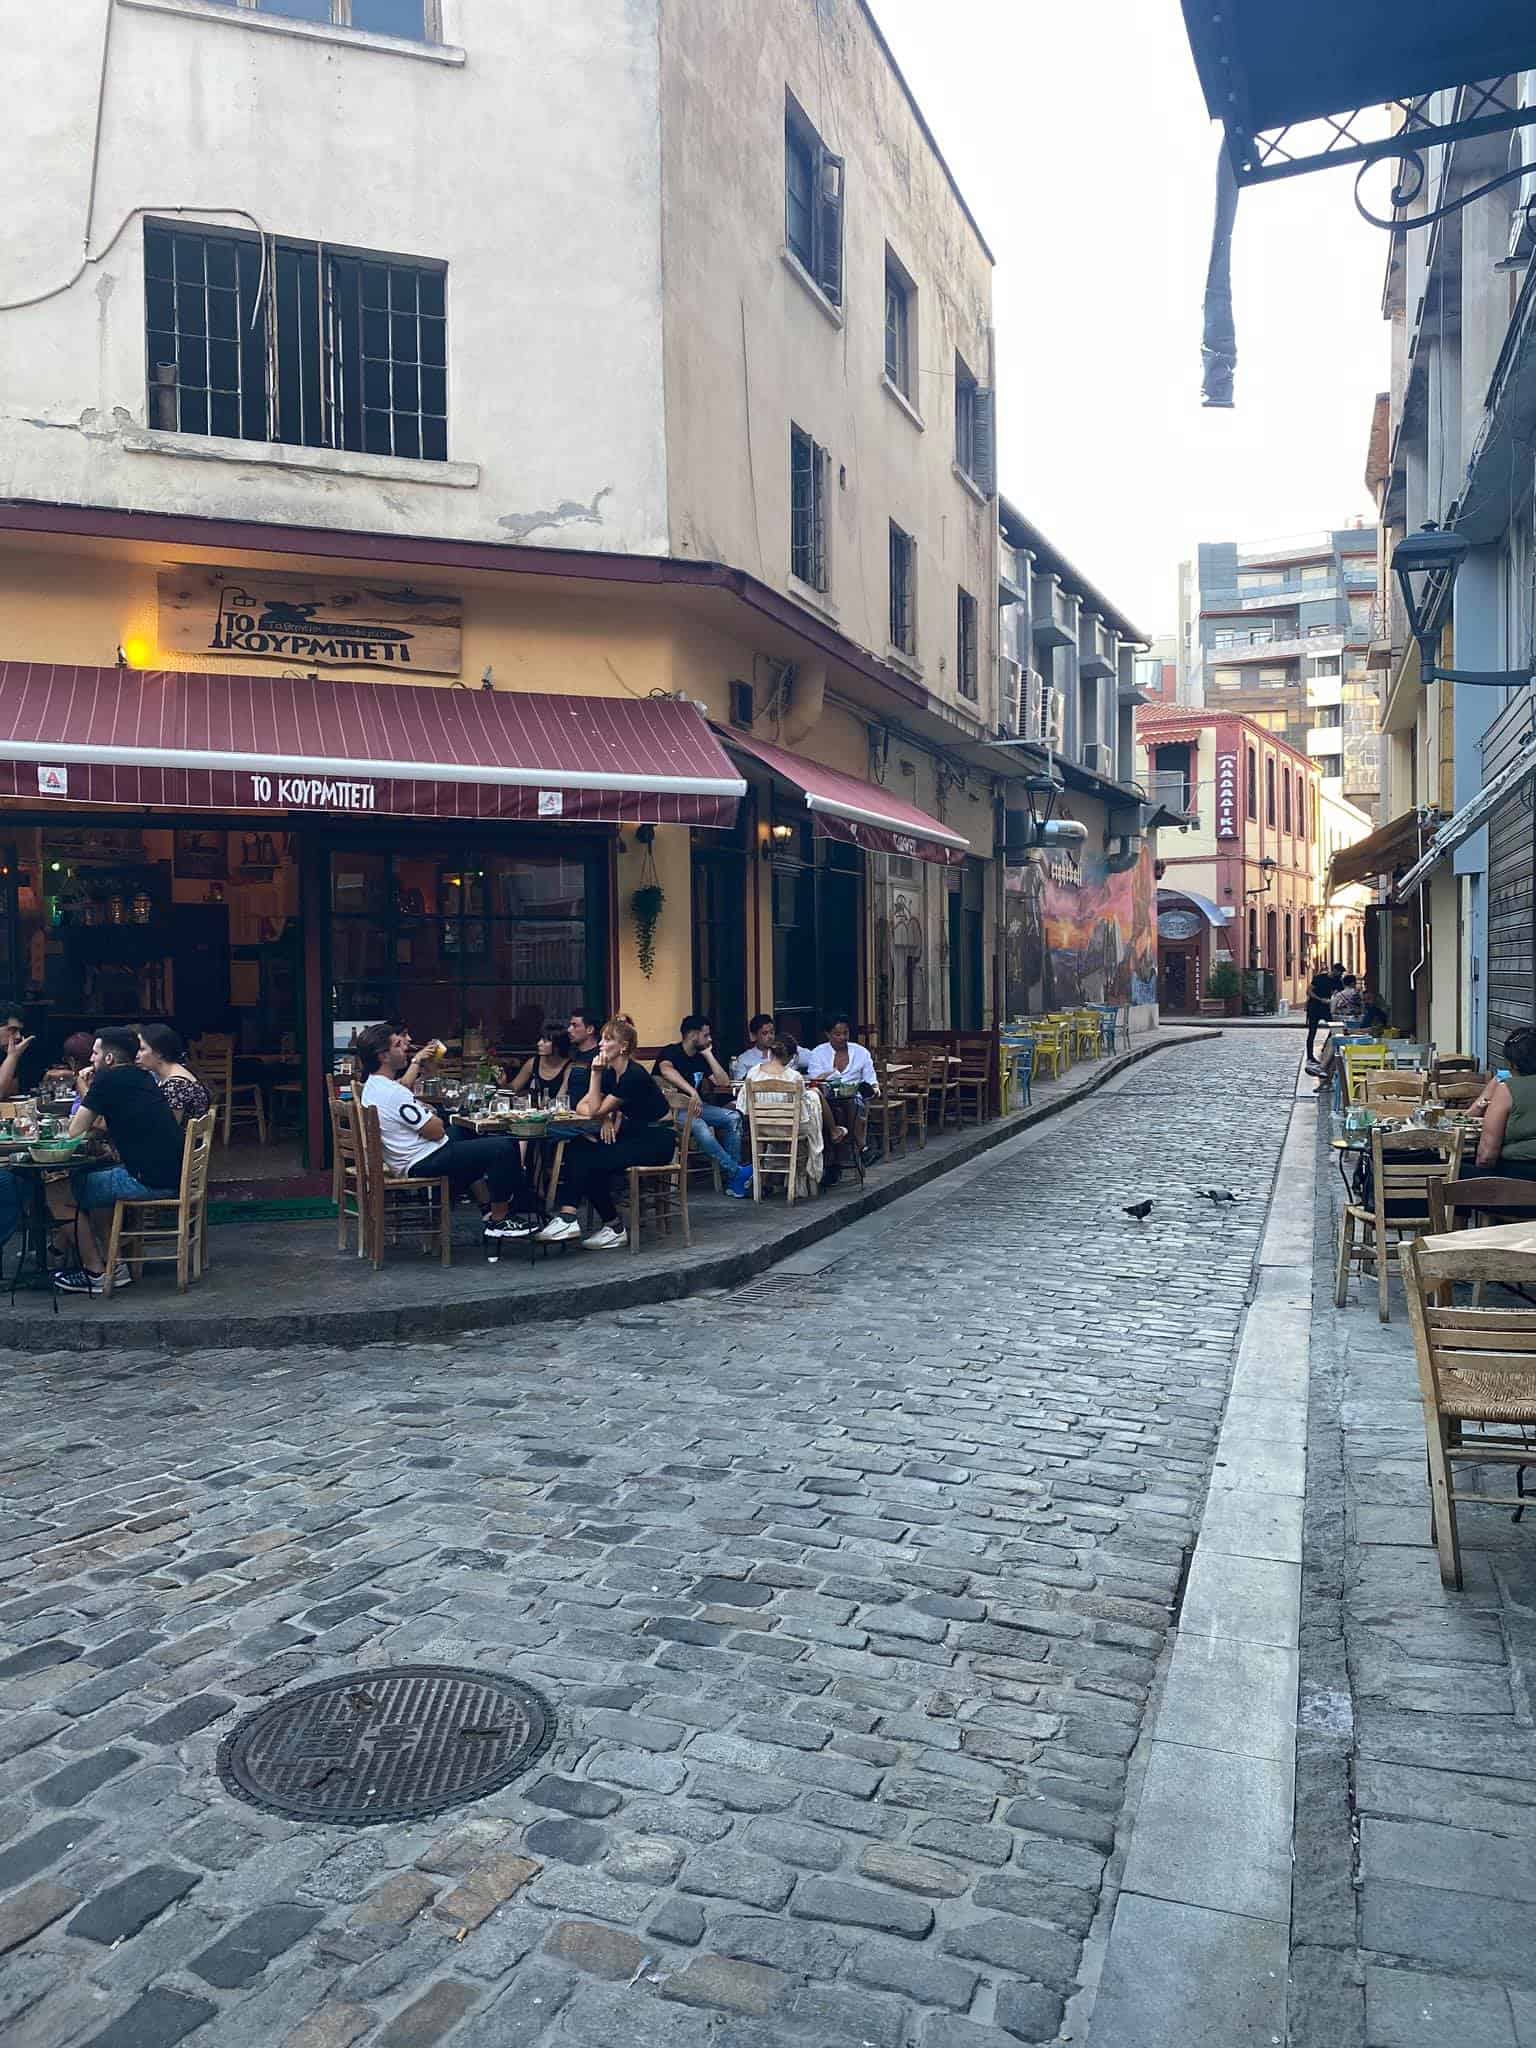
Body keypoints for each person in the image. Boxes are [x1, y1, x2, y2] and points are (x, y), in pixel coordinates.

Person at [356, 1023, 536, 1248]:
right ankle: (500, 1221)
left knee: (465, 1131)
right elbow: (436, 1130)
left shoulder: (372, 1086)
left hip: (409, 1155)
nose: (405, 1048)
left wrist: (428, 1114)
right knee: (505, 1146)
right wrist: (431, 1116)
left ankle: (487, 1208)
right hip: (421, 1159)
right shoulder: (394, 1093)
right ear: (383, 1056)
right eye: (398, 1045)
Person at [51, 1027, 187, 1294]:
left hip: (147, 1180)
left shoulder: (108, 1081)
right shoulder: (143, 1077)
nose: (91, 1059)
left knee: (58, 1194)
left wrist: (84, 1083)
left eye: (95, 1053)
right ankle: (117, 1266)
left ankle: (95, 1272)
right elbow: (104, 1124)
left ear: (109, 1059)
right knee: (97, 1187)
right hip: (167, 1173)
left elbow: (74, 1131)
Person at [537, 1016, 679, 1249]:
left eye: (607, 1039)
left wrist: (595, 1078)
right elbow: (583, 1106)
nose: (601, 1044)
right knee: (579, 1147)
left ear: (623, 1047)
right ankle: (592, 1222)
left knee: (590, 1160)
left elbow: (592, 1111)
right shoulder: (612, 1073)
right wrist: (604, 1115)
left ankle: (587, 1221)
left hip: (657, 1140)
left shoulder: (633, 1075)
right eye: (601, 1038)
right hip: (633, 1134)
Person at [655, 1014, 751, 1197]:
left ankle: (733, 1183)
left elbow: (723, 1082)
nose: (710, 1039)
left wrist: (708, 1054)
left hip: (697, 1109)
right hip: (673, 1112)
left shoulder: (701, 1056)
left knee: (733, 1117)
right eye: (706, 1035)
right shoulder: (671, 1051)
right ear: (693, 1035)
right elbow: (666, 1070)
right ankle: (737, 1172)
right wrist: (692, 1092)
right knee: (699, 1124)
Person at [735, 1033, 824, 1196]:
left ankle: (764, 1178)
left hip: (761, 1130)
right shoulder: (794, 1077)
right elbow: (803, 1116)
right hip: (787, 1130)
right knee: (814, 1115)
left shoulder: (753, 1074)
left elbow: (743, 1107)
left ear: (771, 1052)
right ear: (791, 1057)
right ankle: (803, 1178)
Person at [805, 1016, 879, 1174]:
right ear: (828, 1034)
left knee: (855, 1101)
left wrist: (874, 1087)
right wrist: (832, 1073)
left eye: (845, 1033)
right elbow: (815, 1079)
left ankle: (856, 1144)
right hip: (827, 1098)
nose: (842, 1038)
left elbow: (870, 1078)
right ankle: (857, 1146)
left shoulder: (861, 1052)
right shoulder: (818, 1053)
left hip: (853, 1095)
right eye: (837, 1034)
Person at [1472, 1028, 1536, 1182]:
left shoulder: (1508, 1089)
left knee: (1450, 1176)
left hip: (1517, 1178)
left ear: (1513, 1063)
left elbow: (1486, 1156)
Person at [136, 1024, 211, 1123]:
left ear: (159, 1052)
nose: (136, 1055)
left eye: (142, 1049)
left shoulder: (176, 1085)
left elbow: (170, 1128)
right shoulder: (174, 1075)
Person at [733, 1013, 810, 1082]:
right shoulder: (744, 1059)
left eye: (772, 1032)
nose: (770, 1037)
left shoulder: (788, 1050)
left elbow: (814, 1060)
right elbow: (739, 1086)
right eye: (765, 1033)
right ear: (754, 1036)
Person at [510, 1027, 574, 1107]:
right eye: (540, 1040)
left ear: (558, 1045)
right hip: (532, 1113)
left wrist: (548, 1105)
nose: (539, 1043)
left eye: (545, 1041)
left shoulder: (569, 1066)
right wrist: (503, 1083)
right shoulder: (533, 1062)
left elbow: (560, 1099)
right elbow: (513, 1088)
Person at [1304, 962, 1342, 1070]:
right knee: (1312, 1032)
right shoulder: (1319, 978)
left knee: (1335, 1028)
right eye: (1339, 971)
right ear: (1334, 970)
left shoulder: (1338, 981)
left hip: (1327, 1008)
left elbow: (1340, 994)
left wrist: (1334, 1001)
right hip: (1314, 1007)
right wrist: (1320, 999)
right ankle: (1310, 1056)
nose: (1340, 974)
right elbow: (1309, 991)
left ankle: (1326, 1047)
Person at [567, 1007, 602, 1104]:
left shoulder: (600, 1057)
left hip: (589, 1114)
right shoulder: (575, 1054)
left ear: (590, 1029)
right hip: (571, 1114)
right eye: (570, 1025)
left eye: (575, 1026)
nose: (569, 1030)